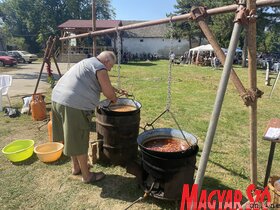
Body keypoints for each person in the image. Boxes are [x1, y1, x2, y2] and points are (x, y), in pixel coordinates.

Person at [51, 51, 126, 184]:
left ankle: (76, 167)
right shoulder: (100, 67)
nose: (110, 69)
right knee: (80, 139)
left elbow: (102, 85)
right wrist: (115, 99)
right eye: (111, 66)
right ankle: (87, 176)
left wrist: (116, 90)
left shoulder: (88, 62)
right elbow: (108, 93)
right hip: (73, 105)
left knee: (72, 137)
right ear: (107, 61)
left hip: (57, 100)